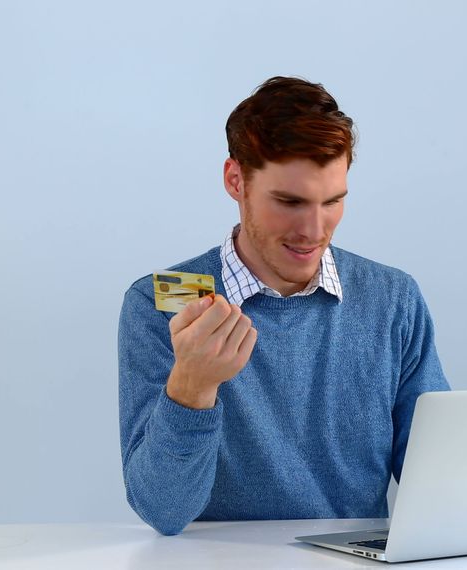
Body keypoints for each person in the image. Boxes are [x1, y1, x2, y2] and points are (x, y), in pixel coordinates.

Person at [118, 76, 450, 535]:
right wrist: (191, 388)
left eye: (332, 201)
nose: (314, 229)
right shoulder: (163, 302)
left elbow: (439, 480)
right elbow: (163, 511)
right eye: (290, 202)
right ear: (236, 181)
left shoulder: (392, 298)